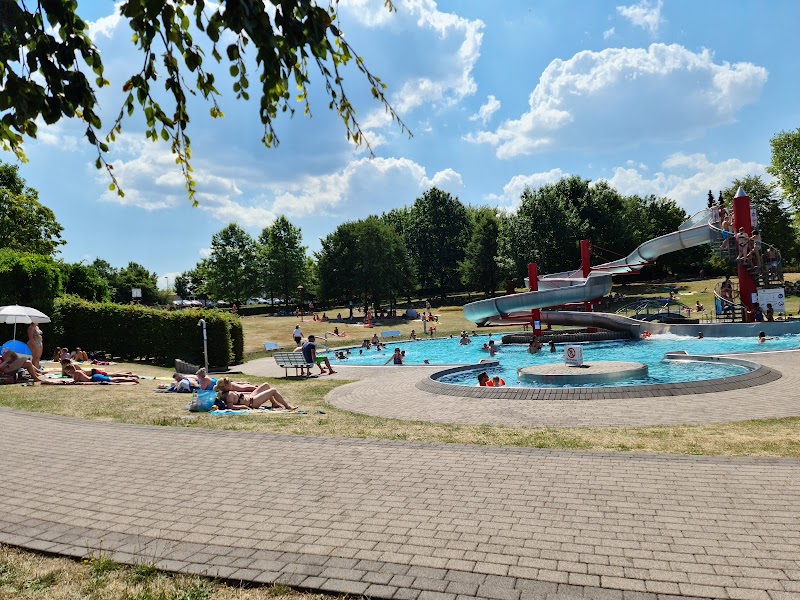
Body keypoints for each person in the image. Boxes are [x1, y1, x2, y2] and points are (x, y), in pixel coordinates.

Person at [218, 382, 296, 411]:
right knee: (273, 390)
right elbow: (230, 407)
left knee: (266, 385)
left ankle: (274, 403)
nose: (231, 383)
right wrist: (243, 407)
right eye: (229, 383)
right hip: (253, 402)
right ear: (227, 386)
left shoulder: (224, 393)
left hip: (251, 397)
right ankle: (287, 406)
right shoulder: (229, 395)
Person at [64, 363, 139, 383]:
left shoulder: (76, 372)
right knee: (114, 377)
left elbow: (75, 381)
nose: (68, 373)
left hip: (94, 378)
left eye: (68, 371)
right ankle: (130, 377)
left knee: (114, 378)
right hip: (94, 376)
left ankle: (131, 379)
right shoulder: (77, 371)